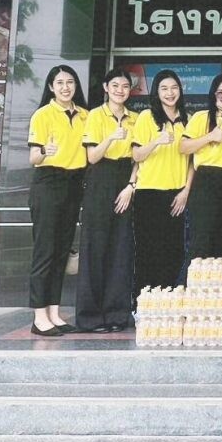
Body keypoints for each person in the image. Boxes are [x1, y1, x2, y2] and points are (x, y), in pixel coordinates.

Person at [26, 65, 89, 337]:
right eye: (60, 83)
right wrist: (44, 150)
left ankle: (53, 311)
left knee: (62, 251)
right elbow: (33, 159)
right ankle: (39, 316)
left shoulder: (86, 115)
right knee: (45, 251)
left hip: (74, 184)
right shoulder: (43, 115)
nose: (66, 87)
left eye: (70, 82)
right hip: (48, 183)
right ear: (51, 87)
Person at [75, 68, 138, 333]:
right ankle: (90, 316)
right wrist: (111, 136)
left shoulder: (137, 118)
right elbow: (92, 157)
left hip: (126, 178)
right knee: (96, 246)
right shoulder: (94, 116)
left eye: (125, 86)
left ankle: (117, 314)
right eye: (115, 86)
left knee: (121, 249)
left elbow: (139, 157)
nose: (120, 91)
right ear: (105, 87)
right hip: (101, 178)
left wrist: (131, 186)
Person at [130, 69, 192, 292]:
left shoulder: (188, 119)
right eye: (164, 88)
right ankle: (143, 305)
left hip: (177, 194)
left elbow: (193, 162)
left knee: (174, 251)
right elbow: (136, 155)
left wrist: (186, 191)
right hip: (149, 193)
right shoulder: (147, 117)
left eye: (174, 88)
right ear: (156, 92)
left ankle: (167, 307)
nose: (170, 93)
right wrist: (156, 141)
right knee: (149, 251)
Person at [180, 73, 222, 260]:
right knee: (200, 244)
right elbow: (183, 147)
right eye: (220, 92)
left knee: (220, 243)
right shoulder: (202, 117)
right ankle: (188, 288)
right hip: (206, 181)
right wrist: (209, 137)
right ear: (213, 95)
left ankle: (211, 289)